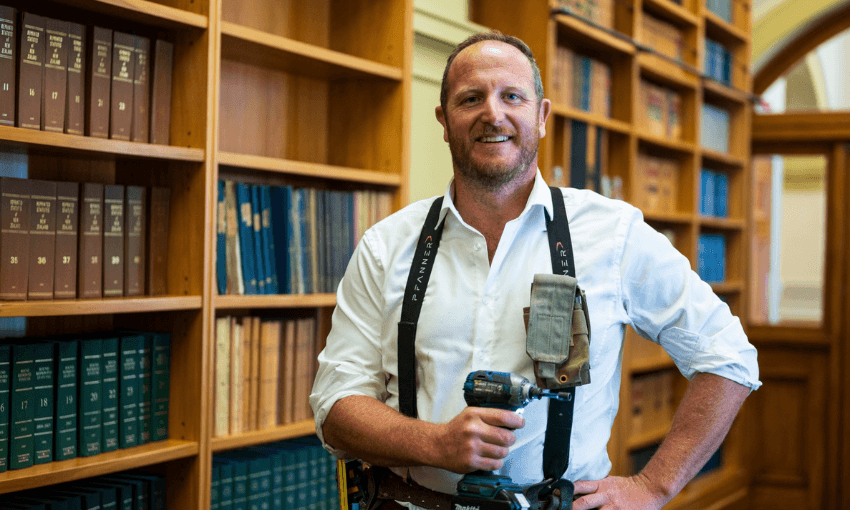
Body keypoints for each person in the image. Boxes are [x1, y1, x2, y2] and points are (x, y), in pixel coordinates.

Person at [310, 31, 760, 510]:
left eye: (512, 96)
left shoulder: (613, 235)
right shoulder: (386, 246)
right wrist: (434, 443)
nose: (493, 114)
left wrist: (654, 486)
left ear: (542, 116)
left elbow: (728, 357)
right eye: (470, 99)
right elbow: (335, 406)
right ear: (443, 121)